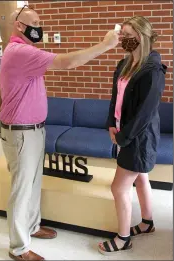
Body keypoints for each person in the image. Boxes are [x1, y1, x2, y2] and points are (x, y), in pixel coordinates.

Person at [0, 5, 119, 261]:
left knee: (32, 185)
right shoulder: (19, 52)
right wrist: (106, 45)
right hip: (21, 133)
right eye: (35, 22)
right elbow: (68, 62)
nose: (39, 27)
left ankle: (32, 227)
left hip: (32, 130)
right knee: (21, 190)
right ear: (19, 26)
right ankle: (18, 248)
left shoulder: (27, 52)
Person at [98, 16, 167, 255]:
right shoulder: (124, 64)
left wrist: (124, 138)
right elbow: (114, 99)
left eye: (128, 35)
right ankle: (147, 223)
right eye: (122, 34)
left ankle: (123, 238)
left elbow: (144, 115)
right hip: (123, 131)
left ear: (141, 37)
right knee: (141, 178)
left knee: (119, 188)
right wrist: (110, 124)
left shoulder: (153, 71)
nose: (123, 39)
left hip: (138, 137)